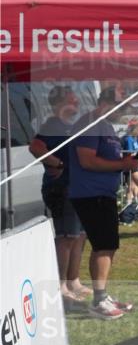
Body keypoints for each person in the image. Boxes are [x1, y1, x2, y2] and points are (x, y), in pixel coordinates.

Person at [68, 87, 138, 319]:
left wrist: (124, 161)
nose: (123, 113)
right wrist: (122, 165)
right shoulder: (90, 123)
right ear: (109, 103)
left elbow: (104, 157)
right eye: (122, 108)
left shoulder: (105, 126)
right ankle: (99, 300)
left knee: (108, 244)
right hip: (90, 194)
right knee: (103, 245)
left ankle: (102, 295)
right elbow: (87, 160)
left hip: (103, 194)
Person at [29, 85, 91, 310]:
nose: (76, 105)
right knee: (67, 237)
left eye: (76, 101)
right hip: (62, 189)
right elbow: (35, 147)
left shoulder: (73, 125)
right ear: (59, 103)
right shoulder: (52, 124)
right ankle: (61, 285)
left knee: (80, 235)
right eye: (72, 101)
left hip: (81, 188)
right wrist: (57, 163)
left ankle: (74, 281)